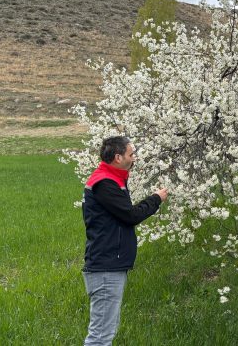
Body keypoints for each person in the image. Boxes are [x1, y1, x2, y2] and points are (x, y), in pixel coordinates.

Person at [81, 136, 168, 345]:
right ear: (118, 157)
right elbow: (130, 215)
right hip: (106, 267)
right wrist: (155, 199)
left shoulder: (112, 179)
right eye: (131, 154)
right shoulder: (105, 183)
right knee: (100, 337)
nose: (135, 158)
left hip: (110, 265)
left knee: (106, 331)